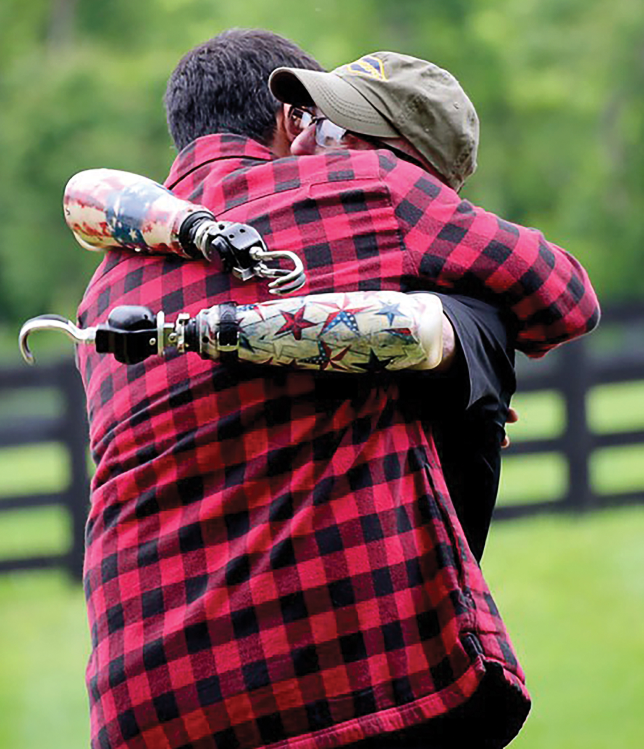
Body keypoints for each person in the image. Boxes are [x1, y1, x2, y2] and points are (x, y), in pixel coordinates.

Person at [75, 29, 600, 749]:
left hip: (145, 708)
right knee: (469, 329)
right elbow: (566, 297)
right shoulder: (368, 189)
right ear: (289, 120)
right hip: (360, 678)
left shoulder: (103, 287)